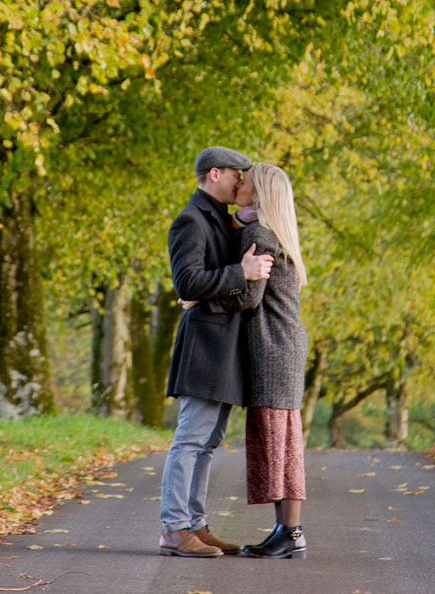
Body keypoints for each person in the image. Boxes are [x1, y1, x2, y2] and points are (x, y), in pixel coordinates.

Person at [159, 146, 274, 558]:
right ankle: (173, 529)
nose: (240, 183)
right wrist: (240, 272)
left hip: (225, 349)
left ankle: (195, 524)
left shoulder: (222, 220)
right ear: (214, 174)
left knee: (207, 443)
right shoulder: (190, 220)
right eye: (235, 175)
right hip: (204, 347)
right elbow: (187, 282)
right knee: (190, 440)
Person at [199, 161, 309, 559]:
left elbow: (248, 298)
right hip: (282, 345)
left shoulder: (260, 235)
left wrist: (200, 298)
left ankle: (290, 533)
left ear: (259, 193)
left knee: (277, 442)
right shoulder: (265, 230)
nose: (238, 184)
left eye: (245, 181)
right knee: (282, 440)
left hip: (272, 347)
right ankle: (287, 531)